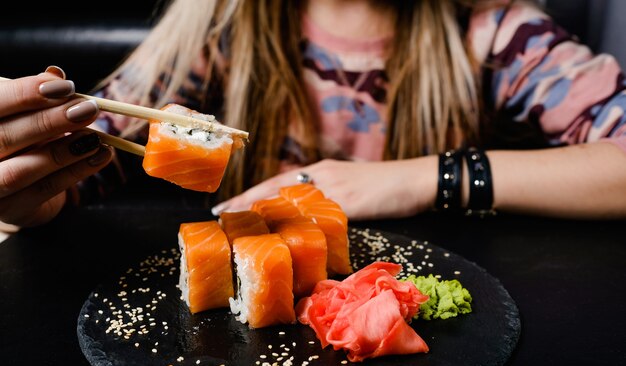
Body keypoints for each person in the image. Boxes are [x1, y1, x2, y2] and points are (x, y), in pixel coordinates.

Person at [1, 0, 626, 234]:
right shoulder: (220, 18)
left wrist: (416, 178)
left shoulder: (494, 30)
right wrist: (33, 188)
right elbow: (95, 148)